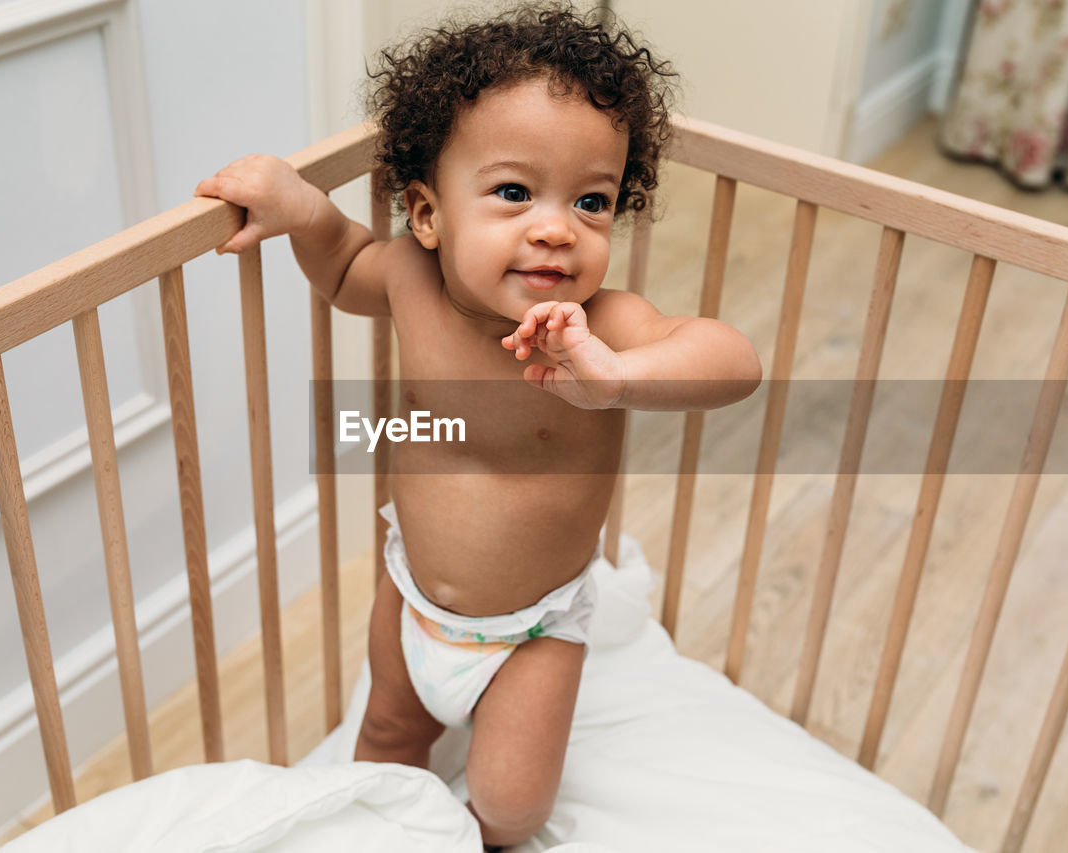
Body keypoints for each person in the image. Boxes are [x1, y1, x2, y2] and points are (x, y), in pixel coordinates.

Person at [194, 5, 761, 847]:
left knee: (513, 801)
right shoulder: (408, 280)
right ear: (426, 215)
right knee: (386, 740)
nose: (555, 226)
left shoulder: (603, 323)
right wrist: (303, 211)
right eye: (513, 191)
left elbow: (731, 359)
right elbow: (345, 261)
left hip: (532, 630)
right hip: (412, 591)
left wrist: (617, 379)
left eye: (592, 200)